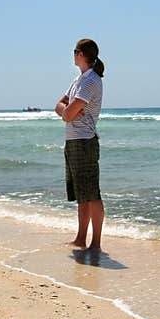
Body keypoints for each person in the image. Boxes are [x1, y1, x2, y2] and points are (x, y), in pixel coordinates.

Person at [55, 39, 105, 251]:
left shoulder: (90, 81)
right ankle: (81, 238)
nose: (73, 55)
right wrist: (66, 110)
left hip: (85, 141)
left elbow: (66, 115)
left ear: (83, 55)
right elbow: (59, 106)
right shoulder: (78, 80)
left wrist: (67, 111)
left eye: (75, 51)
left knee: (92, 193)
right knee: (81, 194)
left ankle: (96, 243)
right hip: (74, 140)